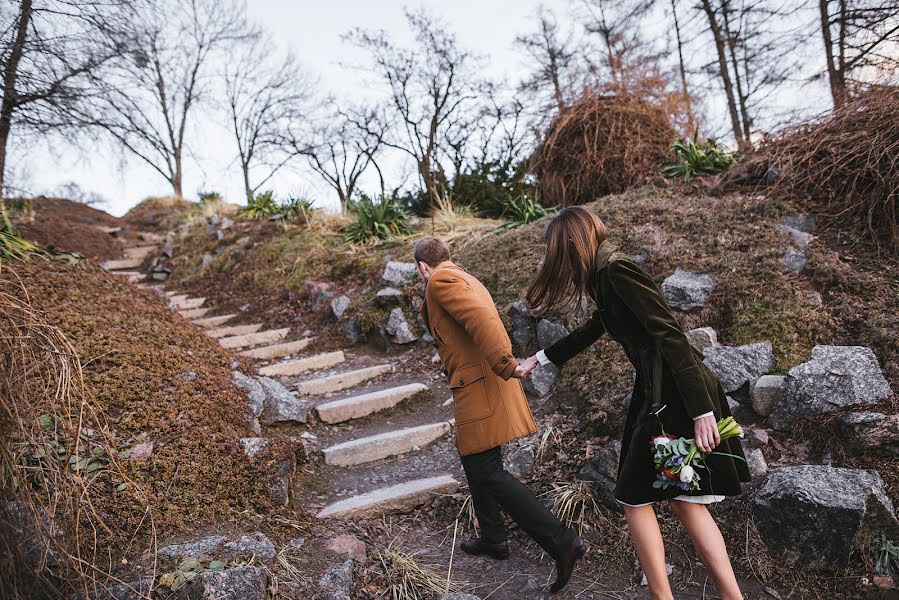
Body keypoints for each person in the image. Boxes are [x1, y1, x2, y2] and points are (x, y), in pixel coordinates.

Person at [517, 206, 749, 600]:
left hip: (673, 395)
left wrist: (701, 411)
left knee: (634, 497)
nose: (554, 261)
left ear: (571, 246)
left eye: (556, 251)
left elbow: (671, 335)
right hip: (662, 393)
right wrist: (538, 359)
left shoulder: (616, 273)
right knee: (683, 501)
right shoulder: (605, 277)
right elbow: (595, 328)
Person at [415, 235, 588, 594]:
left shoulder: (439, 281)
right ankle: (494, 537)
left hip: (482, 383)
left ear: (422, 267)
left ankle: (562, 542)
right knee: (474, 457)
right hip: (479, 383)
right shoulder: (466, 277)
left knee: (486, 470)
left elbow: (480, 319)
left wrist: (505, 363)